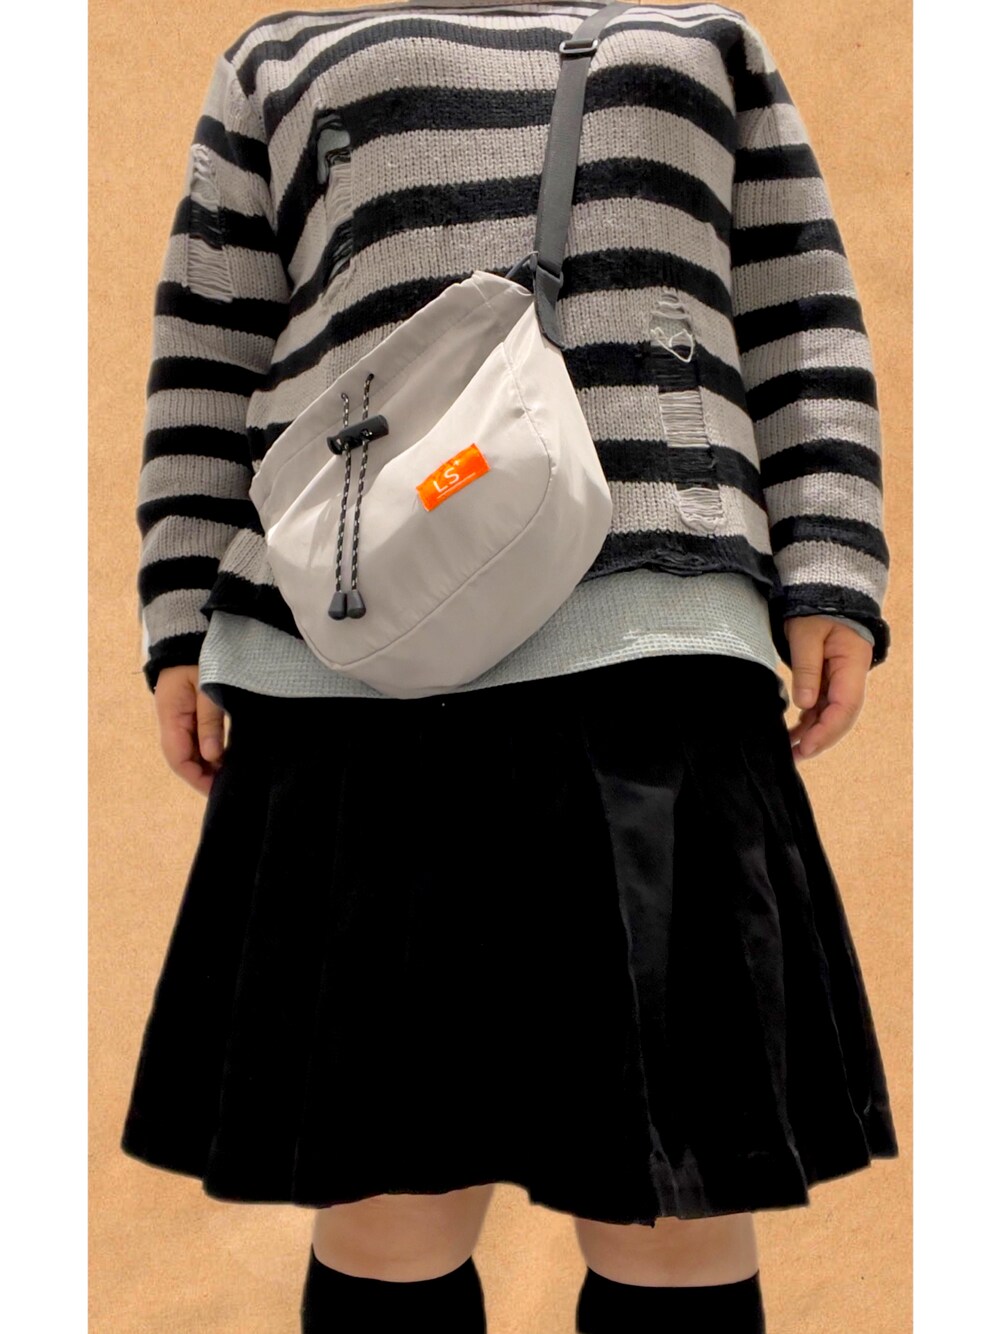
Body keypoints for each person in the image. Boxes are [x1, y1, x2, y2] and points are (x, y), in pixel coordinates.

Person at [120, 3, 900, 1331]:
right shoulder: (279, 55)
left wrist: (834, 558)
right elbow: (211, 337)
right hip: (353, 676)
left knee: (678, 1208)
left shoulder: (708, 40)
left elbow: (795, 304)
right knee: (386, 1213)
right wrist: (182, 613)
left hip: (655, 663)